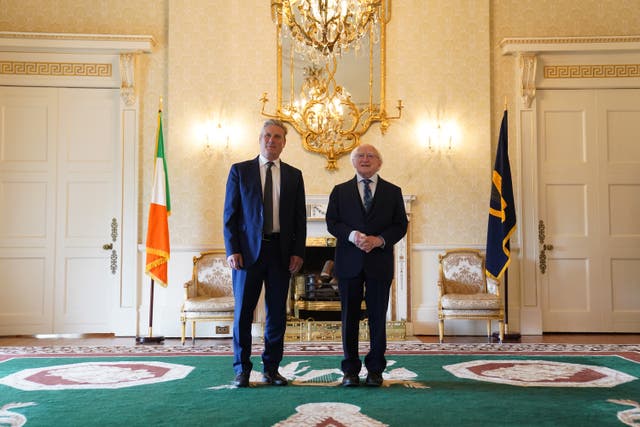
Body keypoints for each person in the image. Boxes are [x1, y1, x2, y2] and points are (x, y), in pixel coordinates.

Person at [223, 119, 306, 388]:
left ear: (284, 142)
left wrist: (298, 252)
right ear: (260, 139)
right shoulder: (240, 171)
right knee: (243, 314)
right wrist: (232, 249)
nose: (272, 140)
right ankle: (241, 370)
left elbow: (299, 219)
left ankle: (271, 369)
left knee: (276, 315)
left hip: (281, 253)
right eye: (267, 135)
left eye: (278, 137)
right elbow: (230, 215)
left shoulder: (294, 175)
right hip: (247, 254)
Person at [325, 143, 408, 387]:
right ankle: (350, 370)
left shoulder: (393, 191)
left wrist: (379, 240)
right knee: (348, 318)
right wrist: (352, 236)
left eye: (371, 156)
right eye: (360, 155)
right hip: (349, 264)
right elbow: (332, 222)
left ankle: (375, 370)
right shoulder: (339, 191)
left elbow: (400, 225)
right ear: (353, 162)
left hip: (379, 264)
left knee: (377, 320)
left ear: (379, 163)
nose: (365, 159)